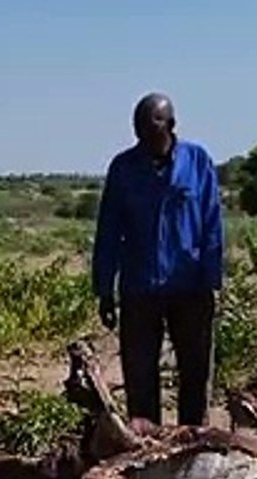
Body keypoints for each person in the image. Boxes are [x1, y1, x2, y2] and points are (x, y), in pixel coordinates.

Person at [92, 92, 225, 427]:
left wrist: (213, 280)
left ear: (171, 124)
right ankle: (146, 446)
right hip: (139, 288)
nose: (143, 133)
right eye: (138, 126)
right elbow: (108, 229)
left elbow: (212, 224)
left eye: (150, 124)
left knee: (195, 372)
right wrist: (104, 288)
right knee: (139, 374)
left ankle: (193, 442)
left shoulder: (198, 162)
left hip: (190, 286)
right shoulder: (123, 167)